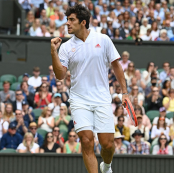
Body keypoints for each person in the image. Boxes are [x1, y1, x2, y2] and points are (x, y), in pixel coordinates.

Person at [51, 4, 127, 173]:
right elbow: (60, 76)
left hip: (101, 99)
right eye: (67, 20)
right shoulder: (65, 47)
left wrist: (125, 92)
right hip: (79, 100)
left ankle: (106, 167)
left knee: (108, 145)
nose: (68, 24)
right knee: (86, 141)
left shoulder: (103, 40)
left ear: (83, 22)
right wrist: (53, 53)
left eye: (72, 20)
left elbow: (116, 66)